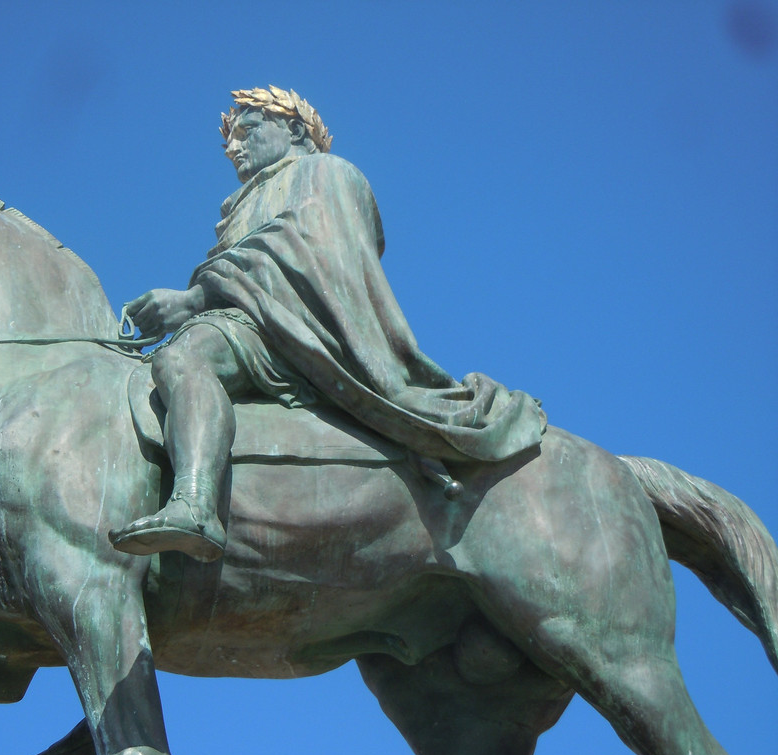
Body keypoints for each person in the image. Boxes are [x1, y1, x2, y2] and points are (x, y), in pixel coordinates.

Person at [110, 86, 545, 562]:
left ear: (293, 129)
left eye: (248, 132)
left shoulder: (327, 173)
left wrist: (195, 298)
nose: (234, 147)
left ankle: (194, 505)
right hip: (251, 320)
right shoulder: (242, 204)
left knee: (185, 356)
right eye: (229, 142)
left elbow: (307, 246)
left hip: (294, 329)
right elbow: (259, 263)